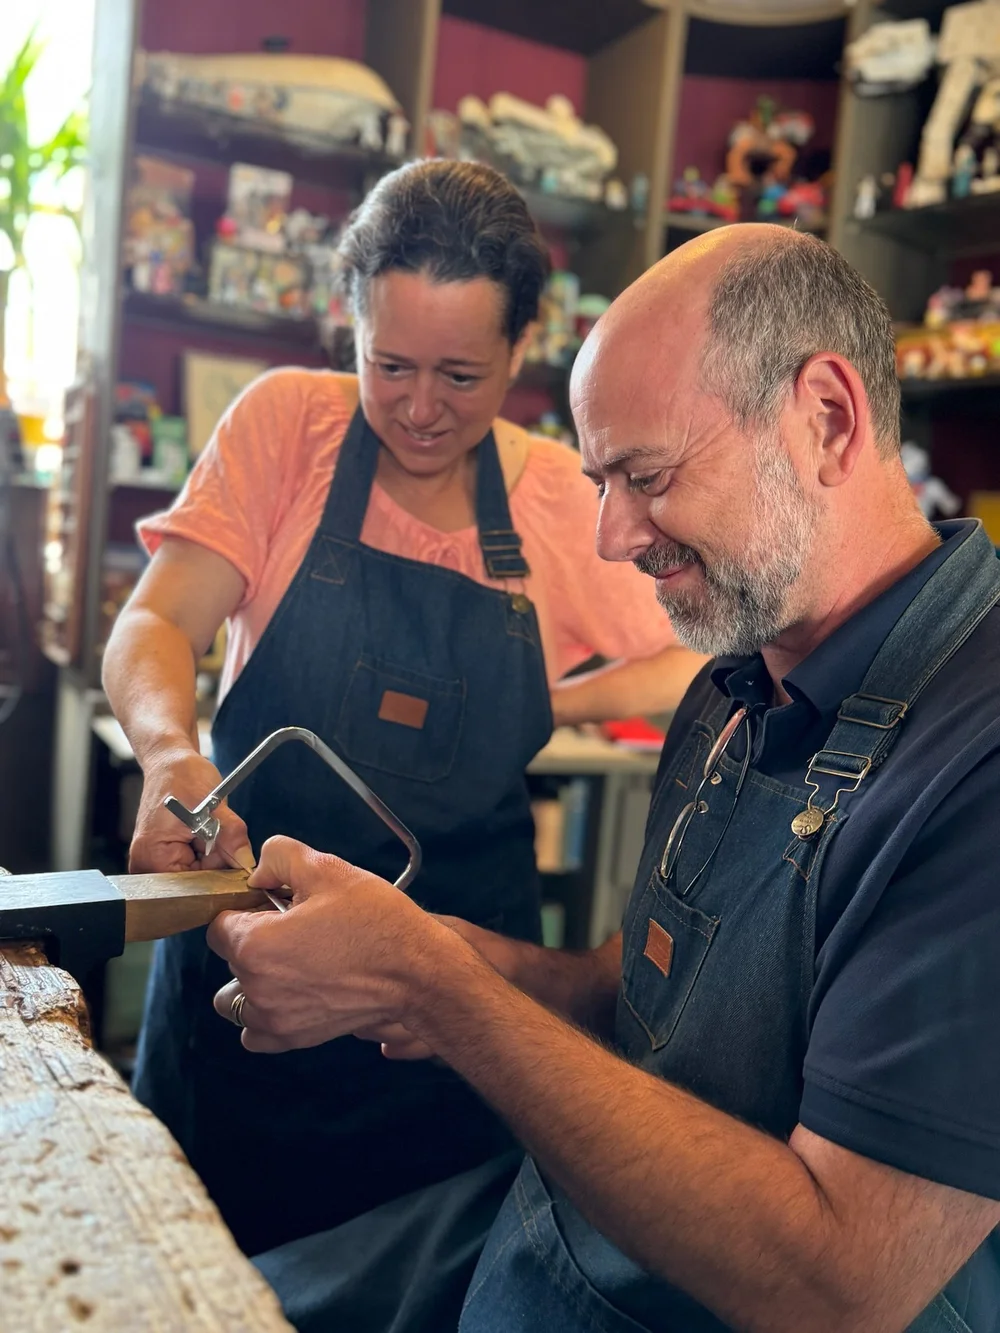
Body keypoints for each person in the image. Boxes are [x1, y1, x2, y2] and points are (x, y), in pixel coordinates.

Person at [208, 225, 1000, 1333]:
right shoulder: (733, 689)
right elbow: (643, 1001)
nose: (611, 534)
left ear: (825, 418)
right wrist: (439, 957)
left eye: (647, 475)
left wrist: (445, 994)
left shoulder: (975, 760)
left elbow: (840, 1280)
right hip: (562, 1241)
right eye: (596, 479)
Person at [102, 159, 704, 1255]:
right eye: (391, 366)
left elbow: (694, 659)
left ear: (523, 352)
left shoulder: (561, 503)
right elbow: (153, 625)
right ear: (351, 327)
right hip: (245, 985)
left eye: (462, 376)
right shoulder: (287, 429)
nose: (421, 408)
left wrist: (558, 700)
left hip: (441, 1012)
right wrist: (168, 753)